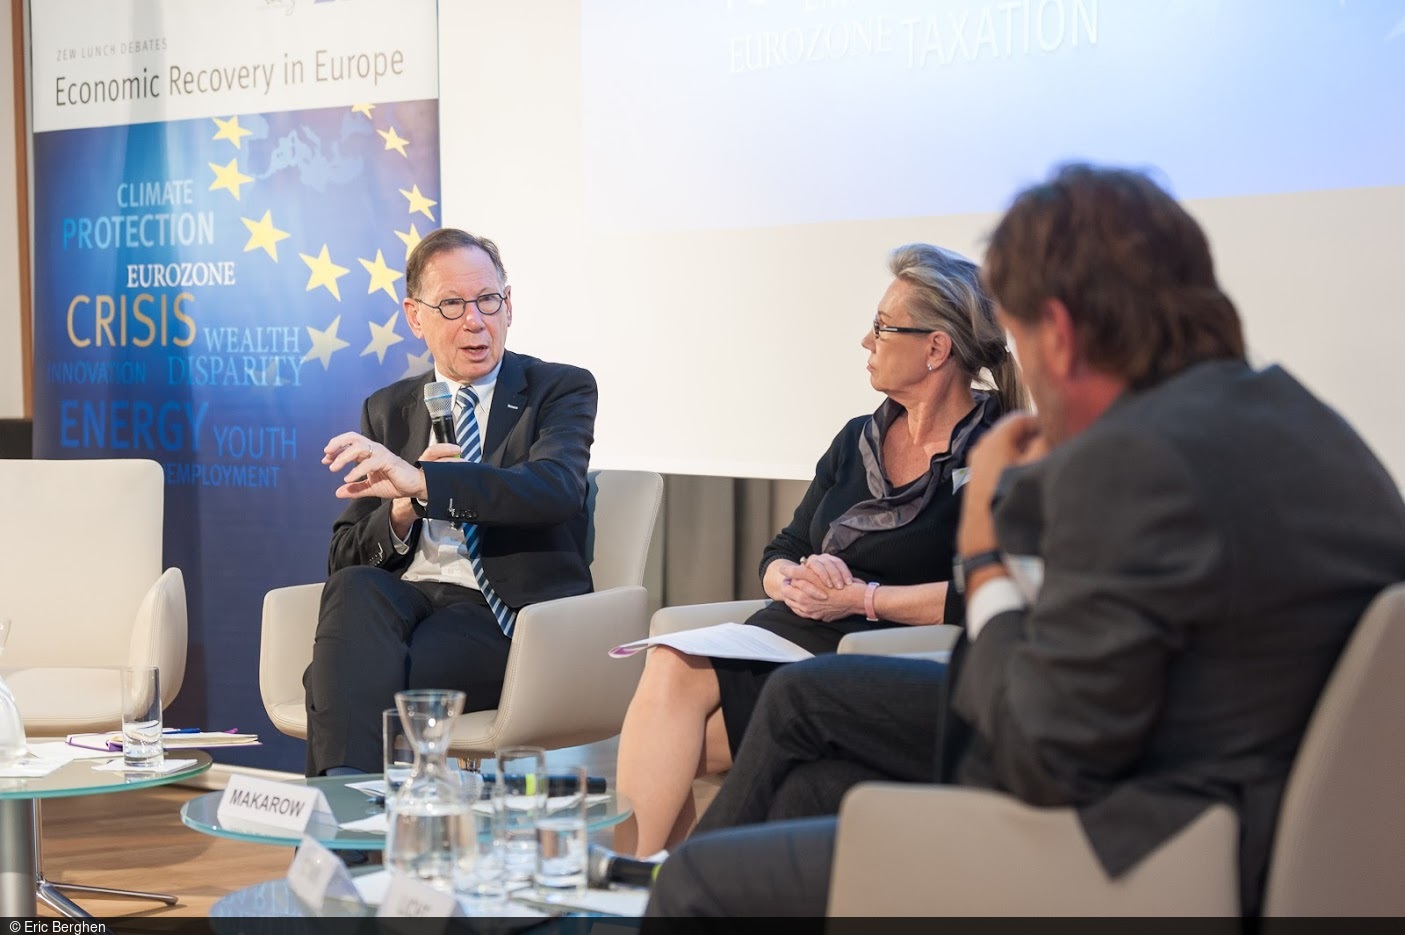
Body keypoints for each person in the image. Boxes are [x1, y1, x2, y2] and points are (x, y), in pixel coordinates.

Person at [644, 164, 1405, 918]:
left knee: (697, 883)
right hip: (1239, 797)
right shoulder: (1304, 422)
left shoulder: (1134, 461)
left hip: (1154, 839)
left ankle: (660, 894)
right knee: (806, 739)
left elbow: (1030, 750)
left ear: (1063, 335)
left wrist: (985, 549)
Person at [614, 244, 1025, 857]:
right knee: (672, 674)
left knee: (674, 717)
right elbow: (781, 551)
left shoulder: (994, 452)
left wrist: (862, 598)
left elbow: (983, 592)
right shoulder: (857, 438)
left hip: (874, 653)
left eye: (883, 328)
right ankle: (649, 883)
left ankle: (650, 884)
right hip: (791, 630)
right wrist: (795, 578)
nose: (866, 340)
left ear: (936, 349)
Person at [304, 228, 597, 776]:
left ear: (508, 304)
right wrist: (402, 509)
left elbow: (553, 490)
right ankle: (355, 835)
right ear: (416, 317)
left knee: (345, 678)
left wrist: (427, 485)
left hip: (503, 613)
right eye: (453, 304)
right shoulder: (389, 408)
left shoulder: (558, 389)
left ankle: (340, 839)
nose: (475, 320)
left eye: (489, 300)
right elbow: (344, 556)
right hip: (404, 598)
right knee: (352, 588)